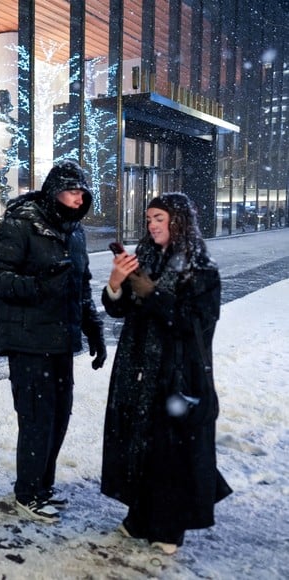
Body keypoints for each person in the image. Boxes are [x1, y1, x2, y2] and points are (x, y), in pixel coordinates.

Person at [100, 192, 232, 555]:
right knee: (139, 441)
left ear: (179, 222)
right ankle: (140, 514)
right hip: (138, 367)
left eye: (159, 218)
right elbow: (119, 309)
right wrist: (116, 283)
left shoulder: (200, 268)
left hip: (178, 372)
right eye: (149, 219)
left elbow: (197, 324)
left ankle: (169, 526)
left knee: (171, 448)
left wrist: (154, 295)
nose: (152, 225)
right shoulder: (145, 258)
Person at [0, 160, 106, 524]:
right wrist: (36, 286)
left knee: (59, 416)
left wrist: (92, 327)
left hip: (61, 339)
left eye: (82, 192)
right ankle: (28, 492)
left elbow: (81, 284)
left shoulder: (75, 232)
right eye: (71, 191)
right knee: (37, 418)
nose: (77, 198)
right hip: (28, 338)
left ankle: (43, 486)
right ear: (54, 192)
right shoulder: (22, 224)